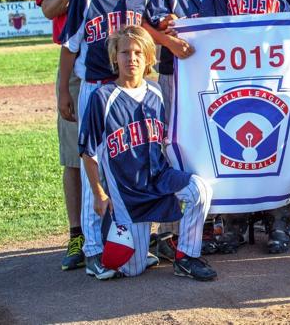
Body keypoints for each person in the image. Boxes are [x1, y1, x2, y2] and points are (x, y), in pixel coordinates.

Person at [79, 25, 217, 281]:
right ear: (114, 57)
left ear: (148, 59)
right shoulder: (103, 97)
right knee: (132, 270)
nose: (131, 58)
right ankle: (128, 249)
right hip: (129, 193)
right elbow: (87, 152)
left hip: (159, 178)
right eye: (125, 52)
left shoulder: (156, 92)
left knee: (201, 189)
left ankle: (186, 257)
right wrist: (99, 193)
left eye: (138, 53)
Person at [57, 0, 150, 278]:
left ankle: (129, 241)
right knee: (91, 167)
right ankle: (94, 248)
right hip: (96, 88)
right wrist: (64, 90)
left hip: (130, 90)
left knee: (129, 163)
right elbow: (70, 46)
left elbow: (153, 36)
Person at [35, 0, 117, 271]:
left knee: (120, 149)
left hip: (121, 65)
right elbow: (48, 8)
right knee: (74, 152)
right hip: (78, 65)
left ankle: (119, 228)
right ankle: (75, 235)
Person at [213, 0, 290, 254]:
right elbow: (214, 34)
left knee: (278, 148)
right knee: (235, 148)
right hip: (236, 78)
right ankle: (235, 221)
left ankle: (281, 219)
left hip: (275, 77)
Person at [144, 0, 218, 259]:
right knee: (172, 143)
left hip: (211, 80)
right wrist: (169, 39)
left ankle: (208, 219)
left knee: (207, 145)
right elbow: (149, 23)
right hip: (174, 76)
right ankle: (169, 227)